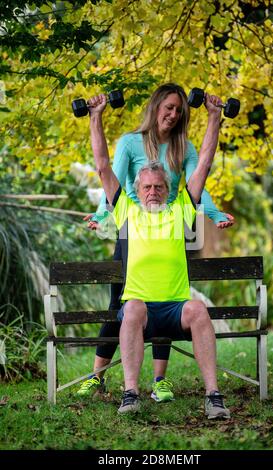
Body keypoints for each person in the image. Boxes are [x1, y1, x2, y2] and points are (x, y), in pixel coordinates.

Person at [77, 83, 234, 404]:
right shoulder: (128, 209)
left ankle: (206, 392)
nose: (152, 190)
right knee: (127, 305)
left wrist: (215, 118)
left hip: (174, 306)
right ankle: (126, 390)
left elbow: (203, 166)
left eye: (159, 185)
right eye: (146, 186)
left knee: (196, 307)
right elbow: (104, 167)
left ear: (169, 187)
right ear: (138, 187)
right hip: (137, 283)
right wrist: (95, 117)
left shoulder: (180, 208)